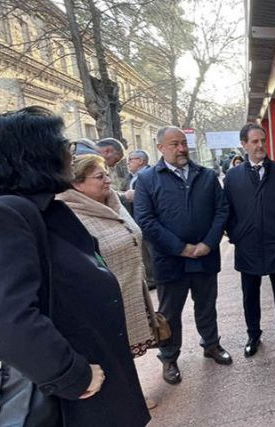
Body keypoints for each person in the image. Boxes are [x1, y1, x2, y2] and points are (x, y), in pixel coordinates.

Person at [0, 106, 149, 426]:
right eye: (63, 143)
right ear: (33, 152)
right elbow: (7, 322)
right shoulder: (4, 214)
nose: (70, 152)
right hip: (68, 405)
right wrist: (73, 375)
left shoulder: (43, 209)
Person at [56, 154, 157, 408]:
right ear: (78, 184)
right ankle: (126, 400)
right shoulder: (69, 213)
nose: (107, 180)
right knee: (110, 353)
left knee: (127, 349)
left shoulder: (113, 202)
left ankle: (133, 393)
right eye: (100, 177)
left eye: (107, 174)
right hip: (101, 300)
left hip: (131, 286)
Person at [134, 125, 231, 386]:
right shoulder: (147, 180)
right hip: (170, 261)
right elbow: (145, 220)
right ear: (160, 148)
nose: (181, 148)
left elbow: (222, 211)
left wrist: (209, 244)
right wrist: (181, 248)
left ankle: (211, 345)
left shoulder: (206, 175)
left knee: (207, 306)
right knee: (170, 313)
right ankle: (169, 357)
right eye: (174, 144)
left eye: (183, 143)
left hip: (205, 257)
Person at [223, 123, 275, 357]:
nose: (260, 145)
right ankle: (253, 335)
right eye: (255, 141)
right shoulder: (233, 176)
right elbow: (226, 210)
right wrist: (236, 234)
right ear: (244, 144)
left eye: (262, 140)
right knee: (250, 294)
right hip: (247, 245)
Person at [121, 149, 154, 288]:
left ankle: (158, 277)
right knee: (143, 252)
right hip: (133, 220)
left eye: (131, 159)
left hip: (149, 220)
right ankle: (151, 278)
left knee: (152, 250)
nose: (128, 163)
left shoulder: (151, 175)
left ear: (141, 161)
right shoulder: (129, 178)